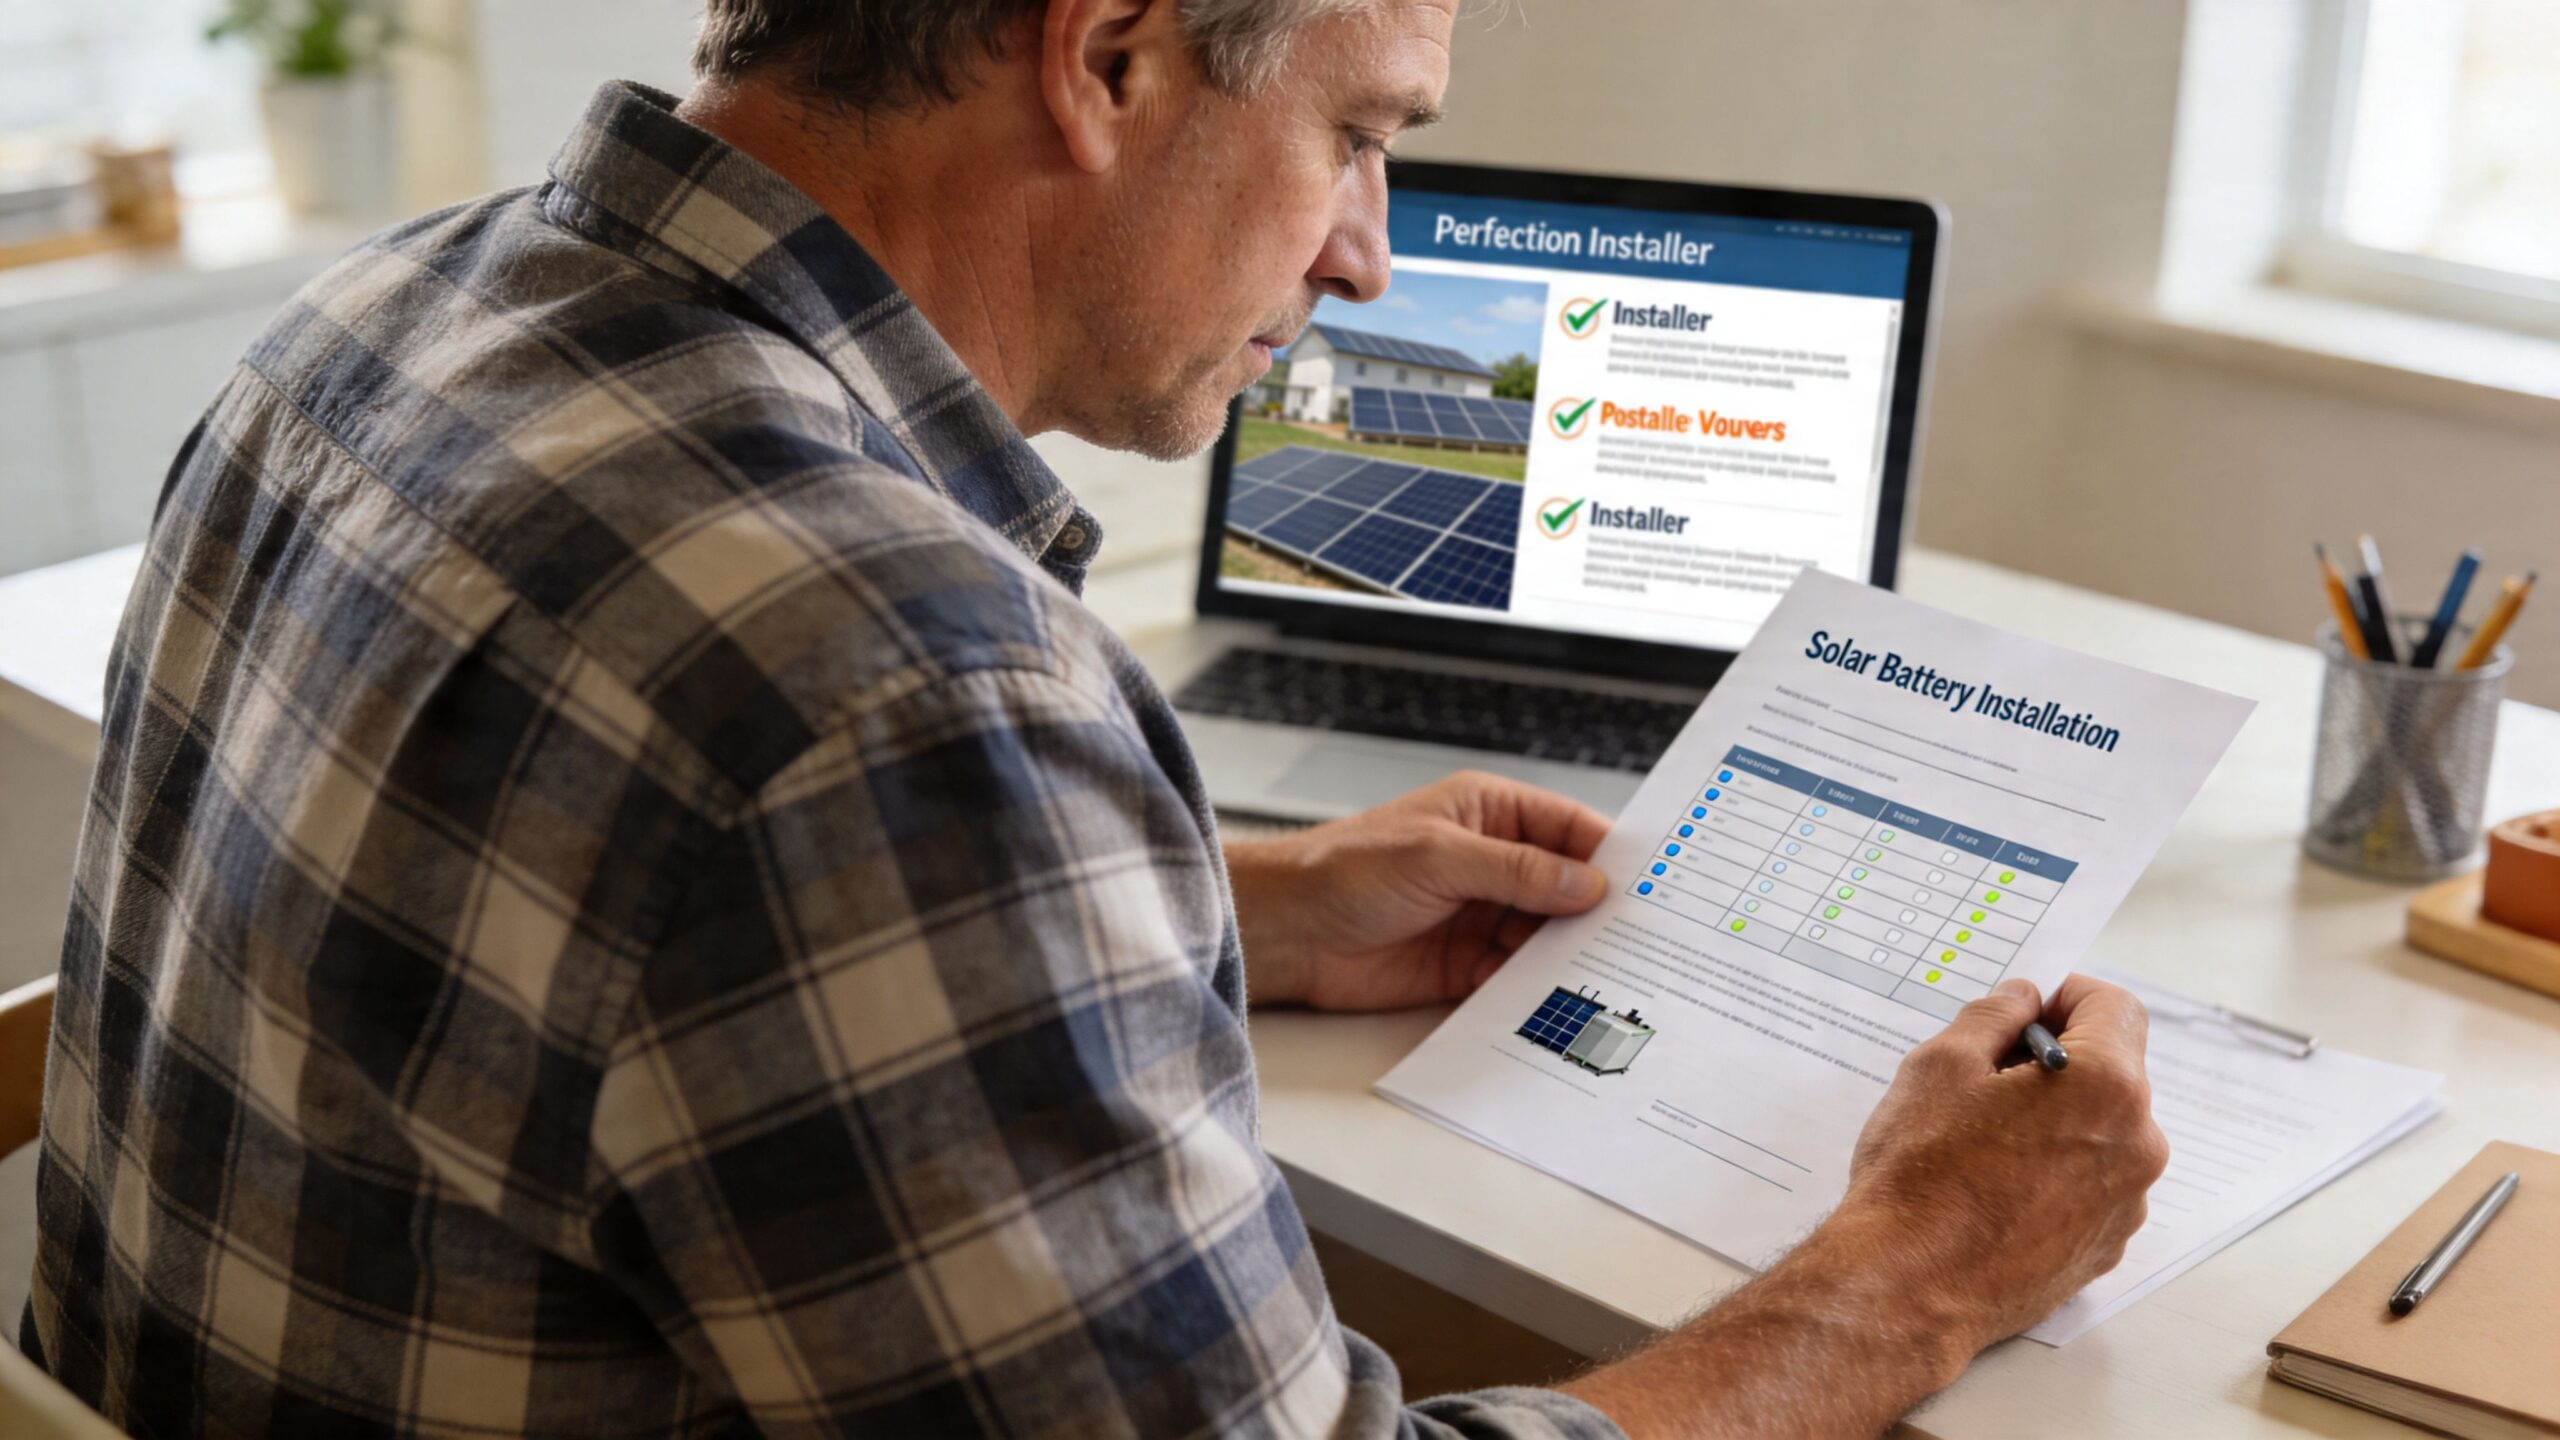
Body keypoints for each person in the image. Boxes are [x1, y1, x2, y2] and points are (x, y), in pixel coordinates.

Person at [22, 0, 2168, 1434]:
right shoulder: (899, 684)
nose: (1367, 260)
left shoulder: (390, 313)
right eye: (1353, 134)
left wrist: (1224, 905)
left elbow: (576, 930)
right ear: (1111, 56)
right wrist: (1912, 1270)